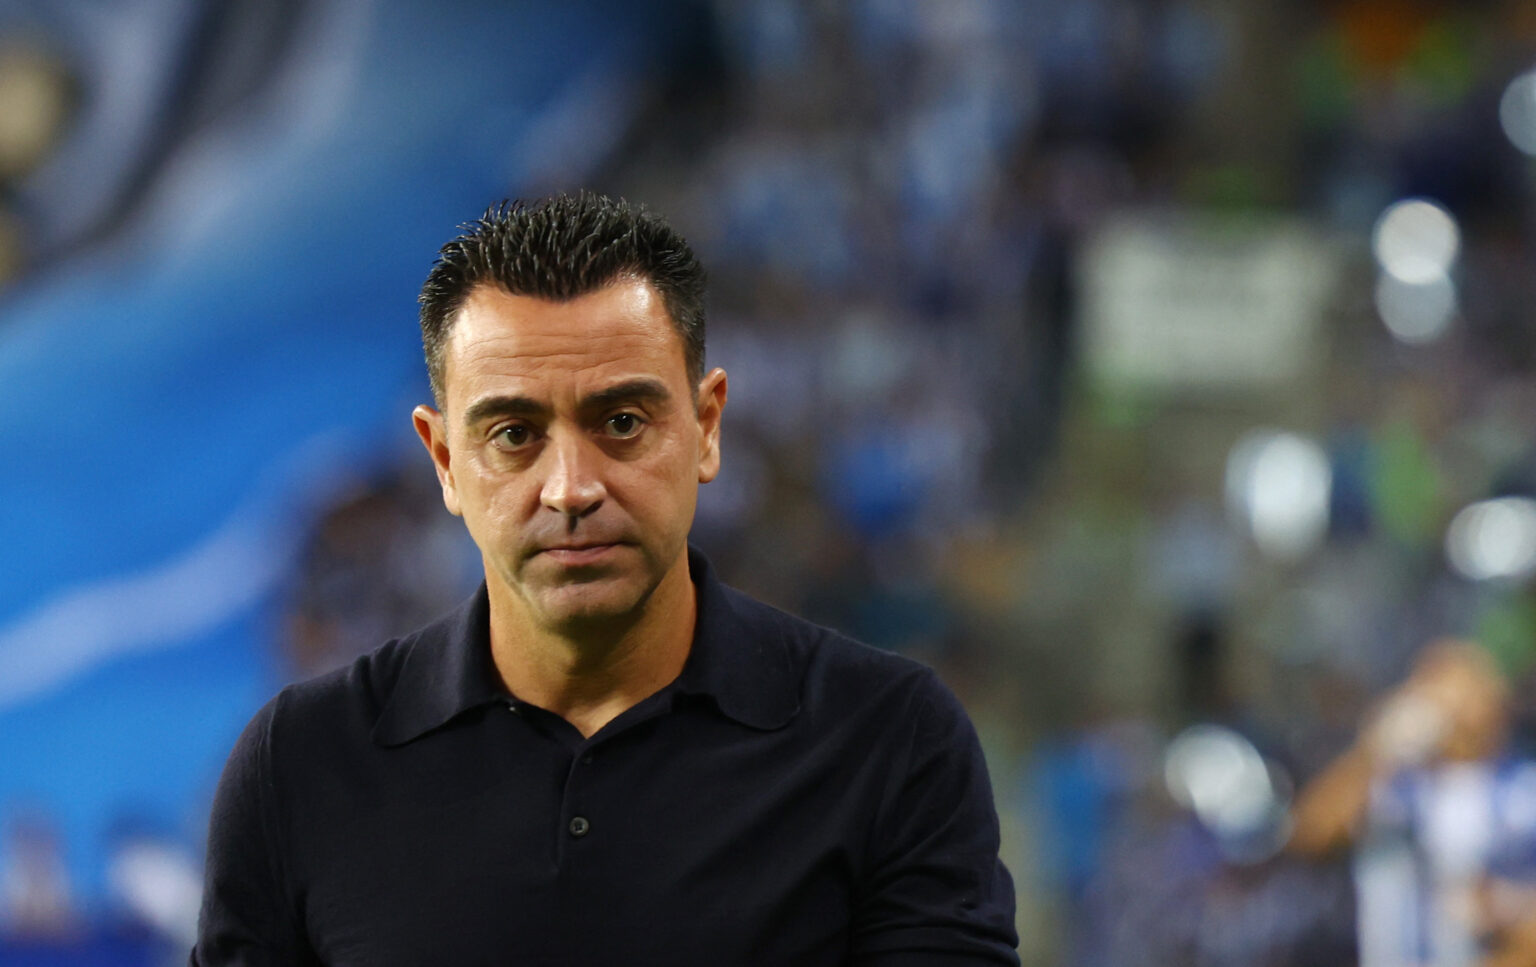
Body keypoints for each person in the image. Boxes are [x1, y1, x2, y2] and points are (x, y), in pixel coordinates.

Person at [190, 192, 1019, 965]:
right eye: (514, 434)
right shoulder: (299, 766)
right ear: (443, 459)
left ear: (706, 427)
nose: (571, 487)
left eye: (622, 422)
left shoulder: (889, 742)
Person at [1290, 639, 1536, 967]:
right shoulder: (1392, 784)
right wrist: (1373, 750)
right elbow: (1308, 837)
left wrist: (1505, 911)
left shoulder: (1524, 790)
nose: (1451, 704)